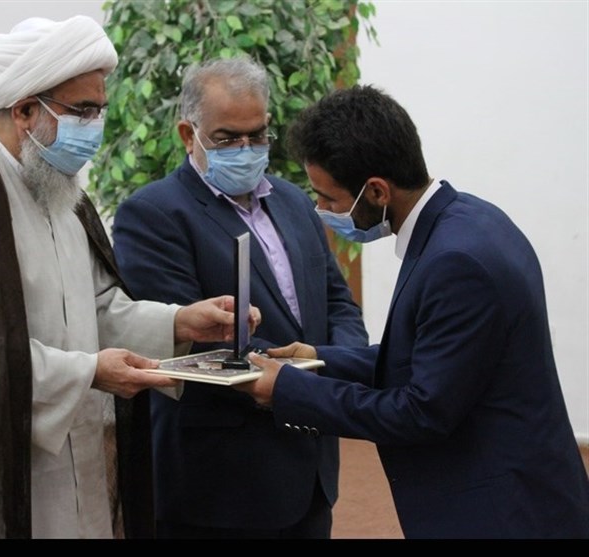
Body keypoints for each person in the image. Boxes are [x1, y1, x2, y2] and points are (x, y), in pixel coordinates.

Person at [0, 16, 260, 540]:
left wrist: (180, 322)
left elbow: (97, 307)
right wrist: (86, 372)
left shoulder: (60, 190)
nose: (96, 126)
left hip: (81, 456)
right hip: (2, 473)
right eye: (82, 110)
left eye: (100, 110)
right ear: (25, 111)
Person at [237, 84, 589, 538]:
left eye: (329, 199)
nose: (320, 209)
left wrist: (289, 390)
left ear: (377, 191)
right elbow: (433, 358)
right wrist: (317, 359)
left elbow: (422, 412)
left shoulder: (455, 263)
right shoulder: (469, 219)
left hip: (503, 511)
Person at [112, 57, 368, 539]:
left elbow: (337, 301)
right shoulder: (153, 215)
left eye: (258, 135)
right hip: (220, 484)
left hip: (310, 469)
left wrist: (336, 365)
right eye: (228, 139)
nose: (246, 149)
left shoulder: (294, 201)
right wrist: (300, 379)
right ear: (188, 135)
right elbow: (190, 342)